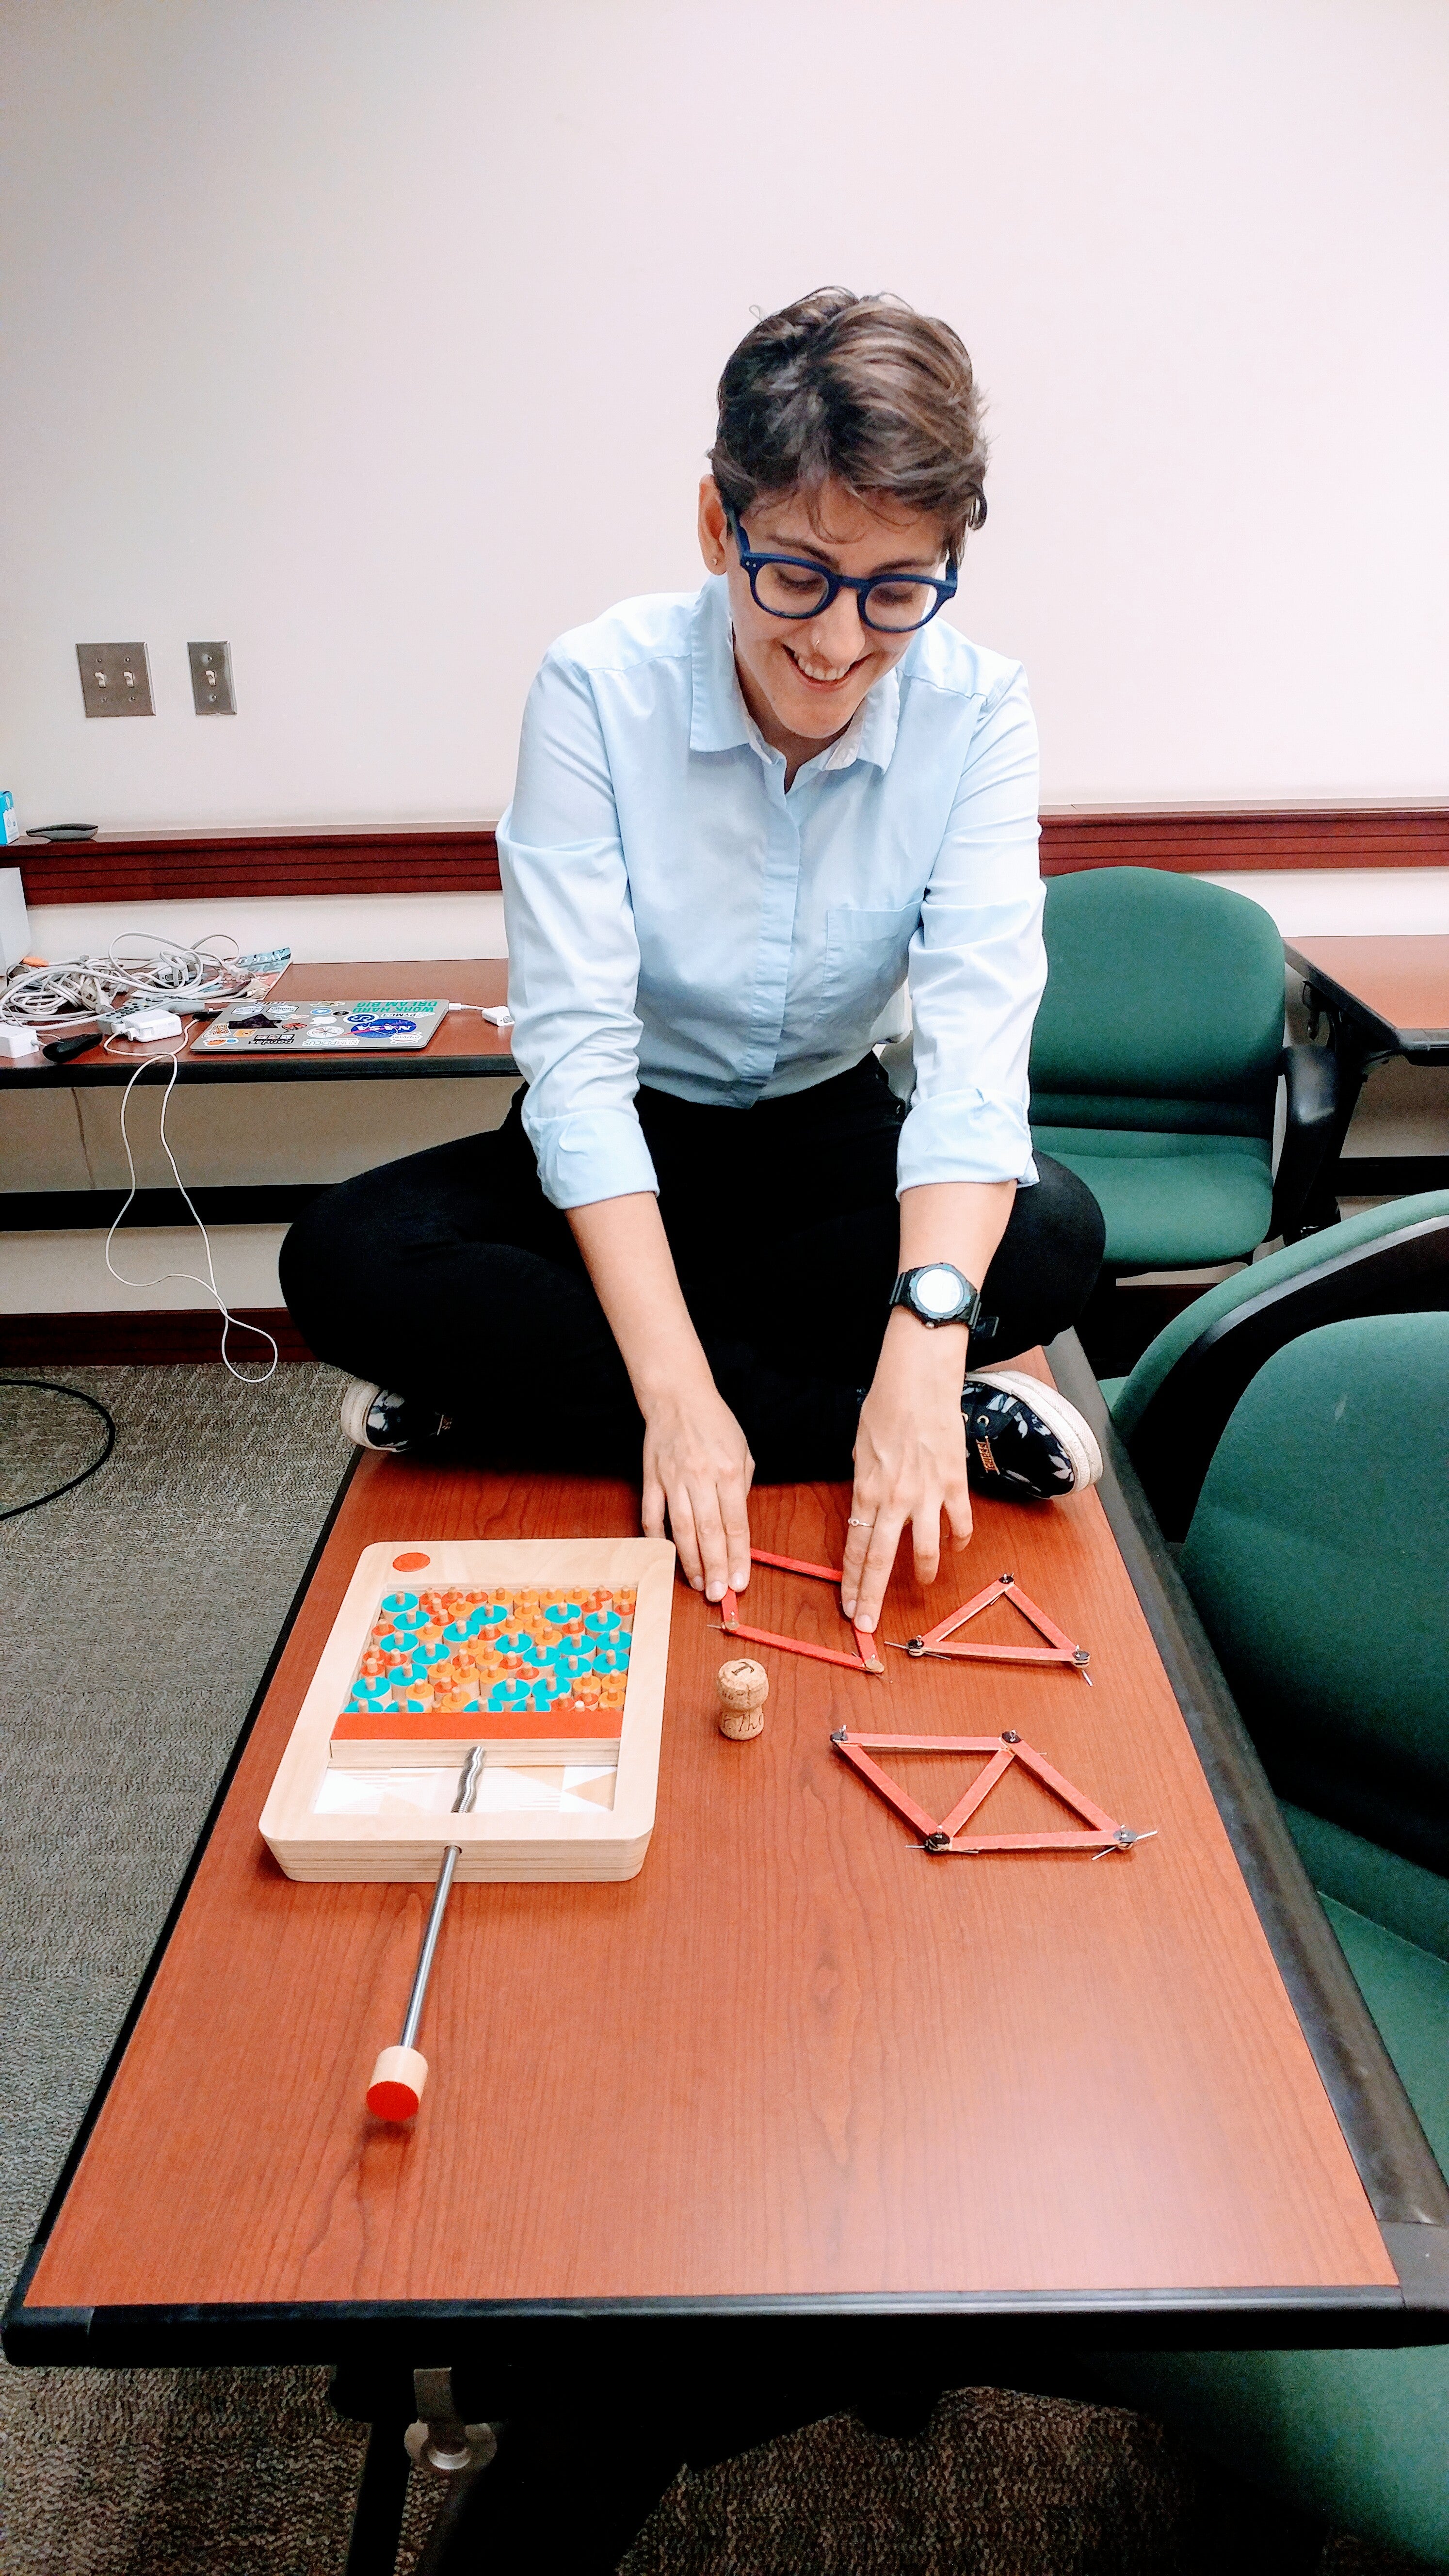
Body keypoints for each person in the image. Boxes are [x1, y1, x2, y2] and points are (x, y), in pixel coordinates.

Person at [280, 287, 1106, 1638]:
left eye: (895, 593)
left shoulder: (977, 711)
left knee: (1057, 1228)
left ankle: (507, 1392)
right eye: (796, 576)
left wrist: (926, 1327)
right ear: (718, 524)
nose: (837, 646)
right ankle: (868, 1423)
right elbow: (578, 1067)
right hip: (624, 1139)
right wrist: (680, 1396)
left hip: (823, 1136)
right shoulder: (596, 688)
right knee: (345, 1259)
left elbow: (973, 1058)